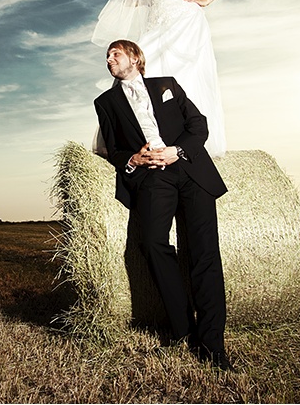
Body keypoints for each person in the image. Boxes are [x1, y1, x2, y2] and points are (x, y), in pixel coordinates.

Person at [94, 39, 233, 371]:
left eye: (116, 53)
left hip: (189, 169)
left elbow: (198, 126)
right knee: (152, 244)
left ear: (135, 57)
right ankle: (183, 329)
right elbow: (112, 149)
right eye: (107, 56)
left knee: (204, 253)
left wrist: (177, 151)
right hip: (153, 178)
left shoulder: (166, 85)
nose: (109, 59)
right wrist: (134, 159)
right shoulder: (105, 102)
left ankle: (212, 344)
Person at [92, 0, 236, 157]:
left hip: (185, 21)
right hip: (156, 24)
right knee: (140, 70)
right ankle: (132, 136)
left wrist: (205, 0)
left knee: (185, 75)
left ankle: (186, 139)